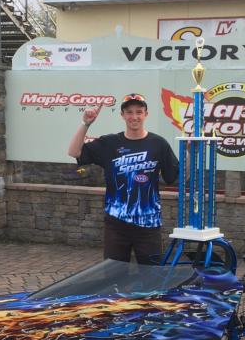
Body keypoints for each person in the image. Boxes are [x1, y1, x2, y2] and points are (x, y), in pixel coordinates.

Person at [68, 93, 179, 265]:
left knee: (151, 275)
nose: (134, 117)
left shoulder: (159, 144)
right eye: (129, 112)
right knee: (113, 275)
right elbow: (74, 152)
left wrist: (190, 152)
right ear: (122, 115)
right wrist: (86, 124)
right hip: (116, 224)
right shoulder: (110, 143)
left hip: (148, 223)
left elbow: (175, 177)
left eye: (139, 112)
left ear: (146, 114)